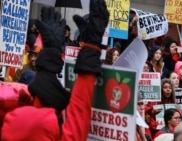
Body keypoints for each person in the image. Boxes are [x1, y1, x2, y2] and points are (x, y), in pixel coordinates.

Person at [1, 1, 109, 140]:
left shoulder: (11, 126)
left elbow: (38, 117)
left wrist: (51, 56)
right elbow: (76, 118)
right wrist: (92, 48)